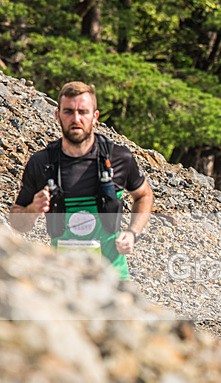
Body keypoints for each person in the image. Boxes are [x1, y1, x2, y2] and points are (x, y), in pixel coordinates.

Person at [9, 81, 153, 280]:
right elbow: (17, 224)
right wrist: (33, 208)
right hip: (63, 278)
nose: (76, 119)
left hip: (113, 278)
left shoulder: (119, 158)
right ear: (57, 116)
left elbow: (144, 195)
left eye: (83, 112)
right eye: (68, 111)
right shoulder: (41, 163)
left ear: (95, 117)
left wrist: (132, 232)